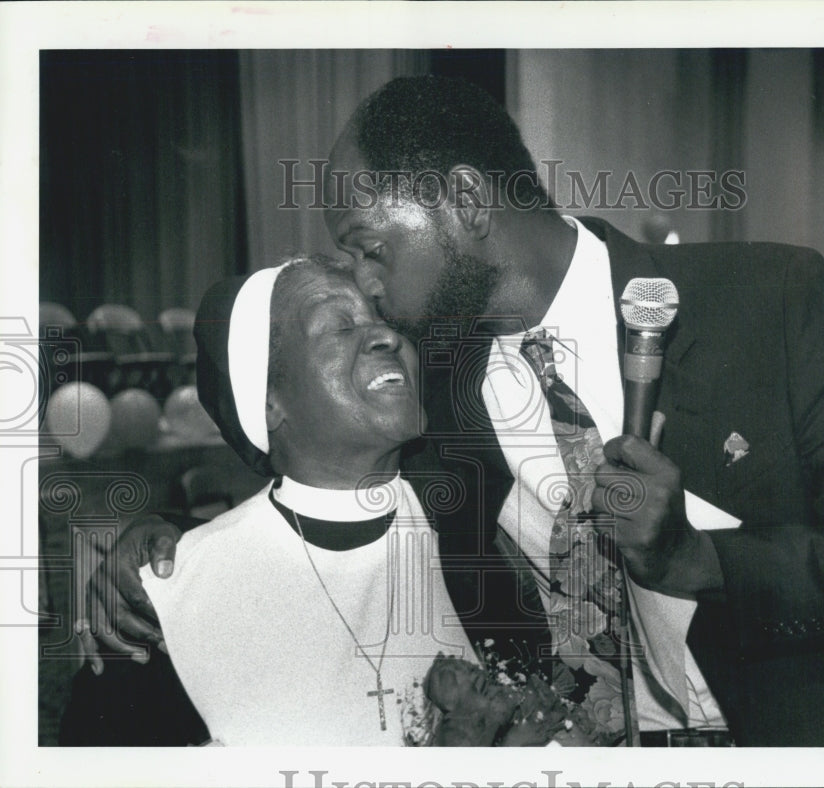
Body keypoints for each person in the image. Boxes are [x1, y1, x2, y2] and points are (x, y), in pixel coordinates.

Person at [85, 76, 824, 746]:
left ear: (464, 204)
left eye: (370, 247)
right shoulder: (433, 381)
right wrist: (158, 545)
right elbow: (305, 458)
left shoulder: (767, 300)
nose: (364, 283)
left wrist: (703, 560)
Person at [63, 254, 542, 746]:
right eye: (339, 327)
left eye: (384, 321)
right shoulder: (161, 602)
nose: (388, 338)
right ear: (269, 401)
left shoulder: (484, 522)